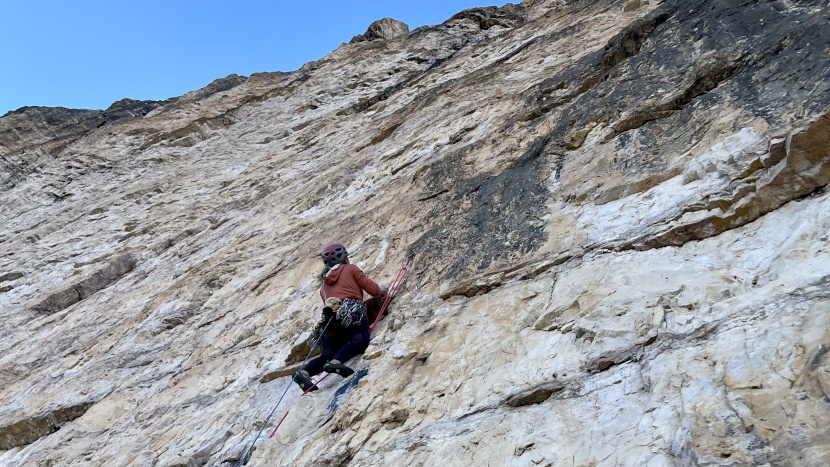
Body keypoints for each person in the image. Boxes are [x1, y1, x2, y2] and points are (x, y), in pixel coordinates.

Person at [293, 243, 386, 391]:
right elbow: (374, 290)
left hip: (329, 319)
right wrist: (383, 290)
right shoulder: (350, 269)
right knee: (360, 340)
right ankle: (337, 362)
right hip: (350, 311)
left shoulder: (323, 286)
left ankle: (304, 372)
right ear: (345, 257)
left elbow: (330, 305)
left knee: (327, 354)